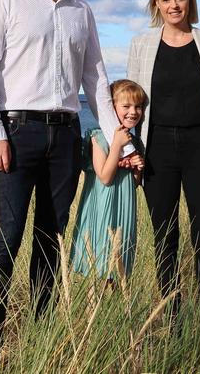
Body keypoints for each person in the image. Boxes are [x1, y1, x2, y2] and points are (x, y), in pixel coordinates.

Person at [0, 0, 134, 353]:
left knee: (51, 241)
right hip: (16, 131)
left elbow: (97, 81)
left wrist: (122, 139)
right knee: (5, 241)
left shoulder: (83, 11)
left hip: (66, 135)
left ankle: (42, 342)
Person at [127, 0, 200, 315]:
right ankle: (170, 313)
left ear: (190, 0)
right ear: (156, 3)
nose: (174, 5)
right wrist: (128, 149)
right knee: (165, 236)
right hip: (157, 150)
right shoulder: (141, 45)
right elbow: (130, 102)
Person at [70, 79, 146, 283]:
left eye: (138, 106)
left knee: (117, 267)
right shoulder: (98, 137)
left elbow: (135, 183)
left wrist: (138, 168)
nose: (133, 112)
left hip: (123, 206)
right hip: (103, 205)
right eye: (126, 106)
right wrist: (117, 146)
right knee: (99, 264)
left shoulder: (135, 141)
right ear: (111, 108)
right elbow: (104, 176)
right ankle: (92, 310)